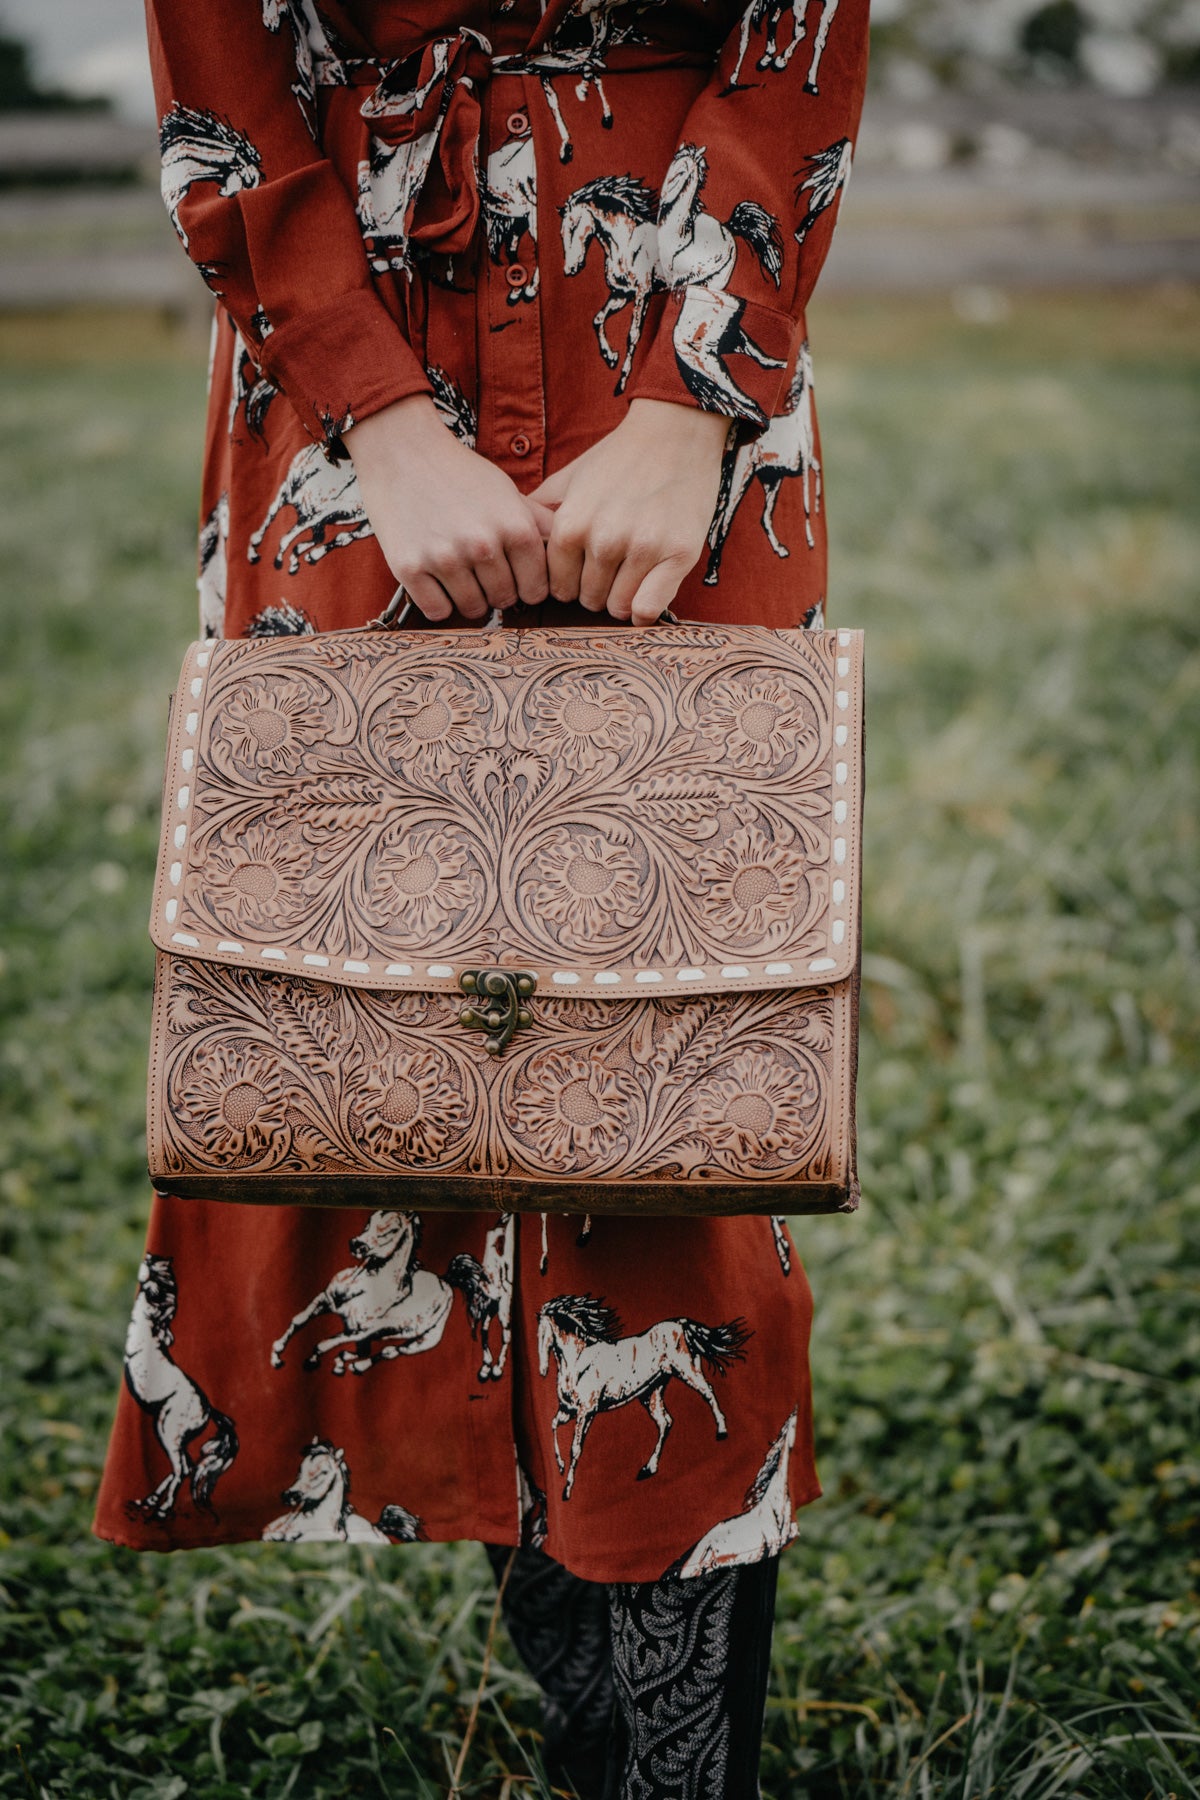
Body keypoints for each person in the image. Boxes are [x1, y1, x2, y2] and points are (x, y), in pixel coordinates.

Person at [93, 1, 870, 1792]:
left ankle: (672, 1765)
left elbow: (800, 31)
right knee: (376, 1004)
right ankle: (568, 1677)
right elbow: (221, 62)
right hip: (353, 345)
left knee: (676, 1028)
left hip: (674, 330)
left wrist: (696, 397)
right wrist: (372, 409)